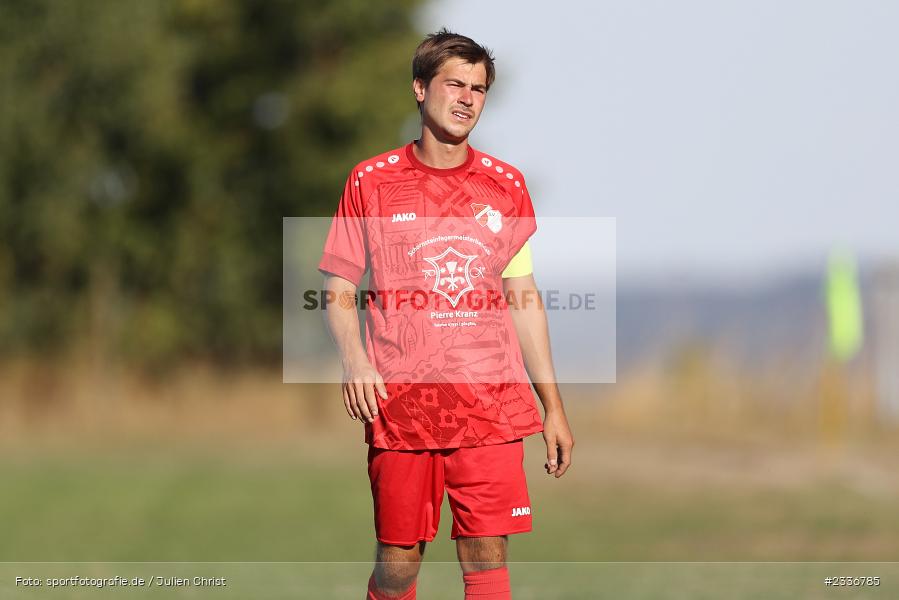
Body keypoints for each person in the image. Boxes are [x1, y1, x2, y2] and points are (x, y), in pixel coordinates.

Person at [318, 29, 574, 600]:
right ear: (419, 88)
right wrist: (356, 360)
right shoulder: (372, 181)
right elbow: (338, 285)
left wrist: (552, 406)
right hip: (401, 404)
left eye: (478, 89)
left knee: (487, 551)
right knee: (398, 564)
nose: (466, 99)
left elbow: (524, 298)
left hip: (492, 406)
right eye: (454, 83)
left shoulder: (505, 186)